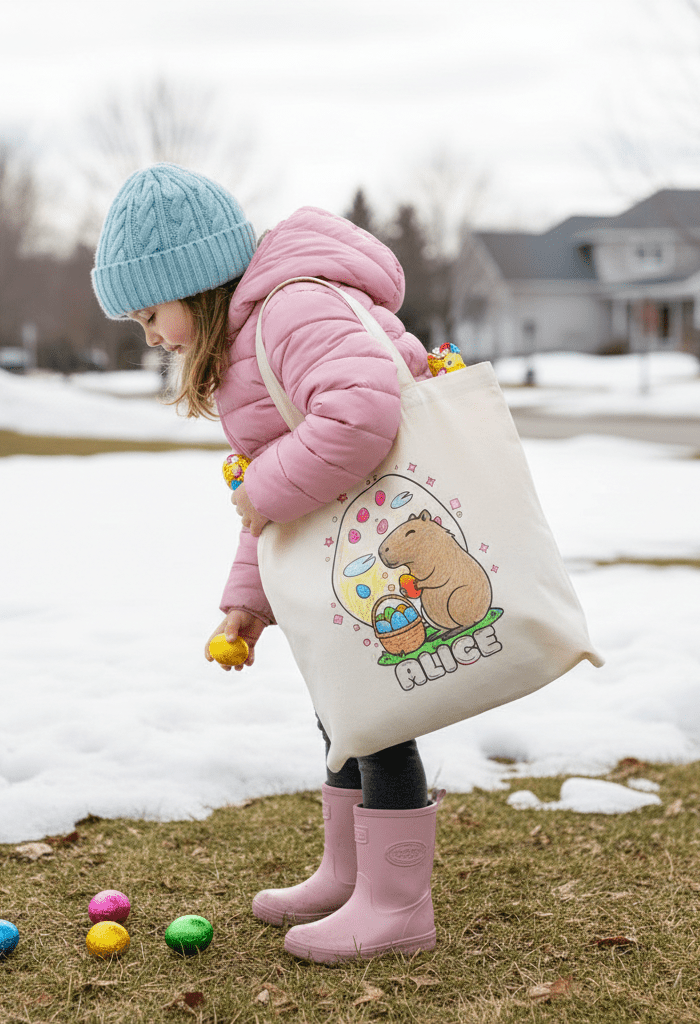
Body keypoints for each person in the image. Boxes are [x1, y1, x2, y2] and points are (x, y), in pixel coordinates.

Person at [91, 163, 442, 965]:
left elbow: (360, 418)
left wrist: (266, 489)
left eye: (152, 313)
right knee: (344, 709)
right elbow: (279, 478)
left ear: (201, 284)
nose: (151, 337)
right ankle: (349, 874)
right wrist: (249, 598)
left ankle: (396, 906)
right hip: (351, 558)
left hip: (393, 551)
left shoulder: (292, 310)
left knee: (377, 718)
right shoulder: (253, 338)